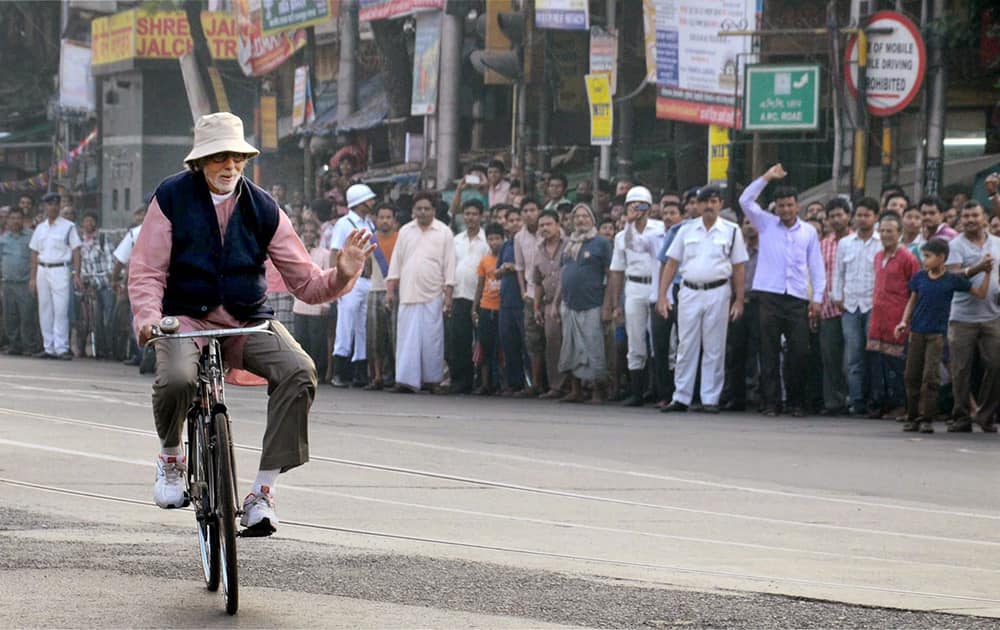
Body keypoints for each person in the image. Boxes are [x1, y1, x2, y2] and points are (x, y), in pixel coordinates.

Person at [129, 112, 374, 534]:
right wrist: (150, 319)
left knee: (299, 371)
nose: (229, 167)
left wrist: (344, 274)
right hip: (186, 319)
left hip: (247, 320)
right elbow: (147, 271)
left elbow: (309, 284)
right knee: (177, 378)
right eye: (219, 157)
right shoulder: (170, 198)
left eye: (237, 158)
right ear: (199, 162)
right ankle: (171, 459)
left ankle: (263, 492)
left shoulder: (264, 208)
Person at [739, 164, 825, 417]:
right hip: (768, 295)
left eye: (790, 205)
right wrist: (766, 177)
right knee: (768, 351)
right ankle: (771, 402)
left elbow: (816, 267)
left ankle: (796, 402)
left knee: (799, 352)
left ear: (797, 206)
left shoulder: (808, 232)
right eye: (781, 205)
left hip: (797, 297)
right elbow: (745, 199)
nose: (786, 210)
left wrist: (817, 299)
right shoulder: (765, 224)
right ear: (775, 207)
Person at [658, 187, 747, 413]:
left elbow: (738, 267)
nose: (709, 206)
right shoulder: (686, 230)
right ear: (697, 204)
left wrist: (739, 300)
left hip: (718, 291)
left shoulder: (732, 230)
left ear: (720, 204)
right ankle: (681, 397)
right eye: (704, 201)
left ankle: (710, 398)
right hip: (689, 290)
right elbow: (671, 263)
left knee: (714, 346)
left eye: (713, 201)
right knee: (685, 344)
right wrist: (662, 295)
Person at [895, 238, 992, 433]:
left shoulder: (951, 280)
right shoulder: (920, 277)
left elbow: (980, 294)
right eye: (924, 256)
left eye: (928, 256)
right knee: (911, 375)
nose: (924, 260)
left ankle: (926, 418)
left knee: (930, 377)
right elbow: (912, 302)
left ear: (941, 258)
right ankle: (912, 416)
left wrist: (986, 274)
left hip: (937, 335)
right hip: (917, 332)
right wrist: (903, 321)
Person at [386, 191, 457, 393]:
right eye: (419, 209)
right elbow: (395, 264)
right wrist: (390, 292)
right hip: (408, 292)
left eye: (427, 209)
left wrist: (448, 296)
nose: (423, 212)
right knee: (407, 339)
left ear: (434, 210)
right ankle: (405, 381)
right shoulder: (405, 232)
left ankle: (432, 380)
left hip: (433, 293)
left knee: (432, 340)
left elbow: (449, 266)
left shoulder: (444, 232)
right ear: (413, 211)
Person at [943, 201, 1000, 432]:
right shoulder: (955, 245)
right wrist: (977, 268)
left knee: (996, 365)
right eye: (965, 216)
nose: (970, 220)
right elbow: (952, 276)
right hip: (962, 316)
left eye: (974, 215)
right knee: (960, 369)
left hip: (993, 314)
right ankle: (961, 416)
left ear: (984, 217)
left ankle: (985, 414)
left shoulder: (997, 243)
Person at [609, 185, 665, 406]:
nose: (636, 209)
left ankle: (659, 390)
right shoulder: (622, 236)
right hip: (634, 287)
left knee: (661, 340)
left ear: (650, 208)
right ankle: (637, 392)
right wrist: (616, 303)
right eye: (632, 205)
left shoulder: (660, 229)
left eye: (641, 205)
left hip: (657, 286)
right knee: (635, 340)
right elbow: (617, 270)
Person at [866, 213, 920, 419]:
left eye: (890, 231)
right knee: (877, 364)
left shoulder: (908, 258)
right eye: (883, 231)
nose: (886, 234)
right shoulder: (879, 256)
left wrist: (908, 318)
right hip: (878, 318)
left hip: (898, 318)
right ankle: (880, 405)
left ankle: (901, 405)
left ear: (899, 233)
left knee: (896, 366)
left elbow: (915, 290)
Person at [556, 203, 612, 404]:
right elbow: (564, 274)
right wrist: (556, 302)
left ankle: (598, 391)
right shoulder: (569, 244)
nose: (580, 220)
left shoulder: (601, 243)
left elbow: (610, 275)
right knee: (569, 348)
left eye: (585, 216)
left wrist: (608, 304)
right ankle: (576, 390)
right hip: (569, 303)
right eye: (577, 217)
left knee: (593, 348)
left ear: (592, 220)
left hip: (592, 303)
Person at [832, 197, 881, 416]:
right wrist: (837, 296)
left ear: (875, 217)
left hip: (873, 305)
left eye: (867, 215)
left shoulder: (883, 242)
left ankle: (874, 399)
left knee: (873, 355)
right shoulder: (845, 243)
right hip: (850, 306)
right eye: (859, 215)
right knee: (853, 356)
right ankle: (856, 400)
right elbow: (838, 273)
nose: (862, 219)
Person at [329, 183, 377, 388]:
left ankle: (359, 370)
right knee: (345, 325)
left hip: (366, 281)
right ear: (360, 202)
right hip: (349, 281)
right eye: (369, 198)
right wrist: (335, 282)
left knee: (362, 326)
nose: (373, 201)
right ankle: (340, 371)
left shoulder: (369, 223)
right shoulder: (345, 223)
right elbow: (334, 253)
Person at [28, 192, 81, 360]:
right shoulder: (40, 228)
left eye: (56, 204)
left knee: (60, 309)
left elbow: (76, 251)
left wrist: (76, 273)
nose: (53, 207)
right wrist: (32, 277)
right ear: (45, 207)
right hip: (42, 270)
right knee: (45, 309)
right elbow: (34, 253)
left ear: (59, 206)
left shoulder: (68, 226)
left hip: (60, 269)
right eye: (49, 204)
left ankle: (61, 347)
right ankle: (48, 347)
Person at [449, 199, 489, 394]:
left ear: (481, 216)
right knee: (459, 340)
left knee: (482, 340)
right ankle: (460, 381)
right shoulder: (456, 240)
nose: (470, 217)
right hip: (459, 295)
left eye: (474, 214)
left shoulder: (488, 241)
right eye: (467, 214)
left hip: (481, 297)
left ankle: (483, 382)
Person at [817, 198, 851, 414]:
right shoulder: (824, 243)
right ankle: (833, 402)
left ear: (849, 216)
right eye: (832, 216)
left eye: (840, 215)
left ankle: (853, 399)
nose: (837, 219)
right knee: (830, 357)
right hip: (828, 308)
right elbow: (816, 274)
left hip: (853, 308)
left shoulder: (858, 241)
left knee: (852, 359)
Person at [532, 209, 567, 399]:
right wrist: (536, 307)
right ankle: (556, 386)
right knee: (552, 344)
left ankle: (577, 386)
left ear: (558, 224)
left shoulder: (569, 245)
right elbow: (537, 282)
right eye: (541, 225)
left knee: (571, 343)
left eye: (548, 224)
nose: (545, 228)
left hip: (568, 302)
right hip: (547, 305)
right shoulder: (538, 251)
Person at [366, 203, 399, 390]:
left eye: (388, 217)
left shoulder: (400, 239)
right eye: (381, 217)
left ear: (394, 220)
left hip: (395, 290)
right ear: (375, 219)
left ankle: (395, 375)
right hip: (375, 290)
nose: (385, 220)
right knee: (375, 336)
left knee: (395, 336)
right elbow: (368, 269)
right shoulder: (369, 241)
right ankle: (377, 377)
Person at [291, 223, 330, 378]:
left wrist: (326, 303)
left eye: (311, 232)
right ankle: (303, 372)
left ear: (316, 235)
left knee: (317, 343)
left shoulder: (324, 254)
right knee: (300, 340)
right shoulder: (297, 253)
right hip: (299, 305)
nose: (308, 234)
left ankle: (318, 373)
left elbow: (327, 279)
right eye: (305, 231)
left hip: (317, 305)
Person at [514, 197, 545, 395]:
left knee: (552, 339)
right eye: (524, 210)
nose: (528, 214)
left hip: (550, 294)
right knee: (532, 341)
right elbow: (519, 267)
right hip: (531, 294)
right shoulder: (519, 237)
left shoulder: (550, 232)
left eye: (532, 209)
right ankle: (536, 384)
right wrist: (523, 291)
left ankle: (557, 384)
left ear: (539, 211)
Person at [0, 208, 39, 355]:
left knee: (27, 315)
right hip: (8, 283)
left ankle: (29, 346)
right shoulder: (3, 239)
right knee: (10, 316)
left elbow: (35, 258)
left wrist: (33, 279)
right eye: (12, 218)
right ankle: (14, 345)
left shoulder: (31, 237)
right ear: (8, 221)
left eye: (18, 218)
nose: (15, 221)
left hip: (25, 283)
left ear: (23, 220)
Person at [78, 211, 116, 358]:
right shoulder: (80, 242)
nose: (88, 224)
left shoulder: (103, 239)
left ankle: (110, 349)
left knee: (108, 318)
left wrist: (100, 280)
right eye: (86, 221)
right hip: (89, 286)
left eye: (91, 221)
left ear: (96, 223)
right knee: (92, 319)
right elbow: (81, 265)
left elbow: (111, 264)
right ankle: (97, 349)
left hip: (105, 284)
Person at [112, 206, 147, 365]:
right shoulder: (170, 229)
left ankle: (141, 355)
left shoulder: (135, 233)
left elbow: (120, 260)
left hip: (139, 282)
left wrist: (114, 280)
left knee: (137, 318)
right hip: (164, 281)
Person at [473, 223, 505, 395]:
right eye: (491, 239)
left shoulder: (507, 259)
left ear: (503, 239)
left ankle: (502, 384)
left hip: (502, 309)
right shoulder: (485, 261)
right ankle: (485, 384)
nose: (494, 242)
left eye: (497, 239)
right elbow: (480, 285)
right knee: (484, 346)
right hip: (486, 308)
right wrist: (474, 308)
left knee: (501, 348)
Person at [497, 206, 525, 394]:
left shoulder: (528, 243)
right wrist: (503, 269)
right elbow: (496, 272)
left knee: (527, 344)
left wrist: (515, 267)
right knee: (509, 342)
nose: (515, 223)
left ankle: (533, 383)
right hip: (506, 300)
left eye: (518, 220)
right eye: (511, 220)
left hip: (522, 300)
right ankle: (514, 383)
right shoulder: (506, 246)